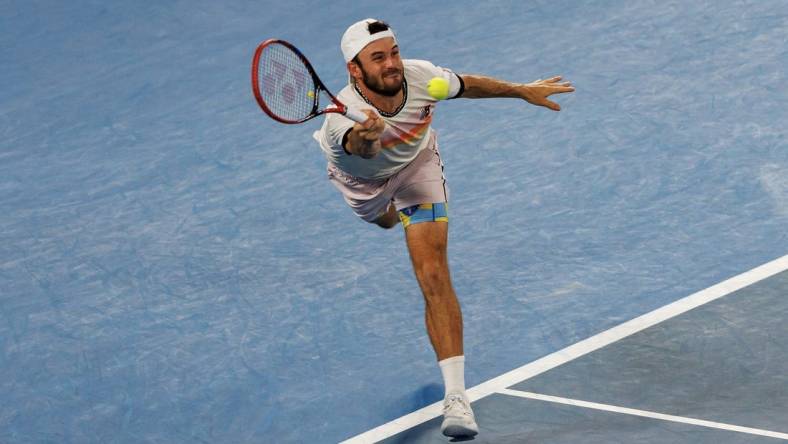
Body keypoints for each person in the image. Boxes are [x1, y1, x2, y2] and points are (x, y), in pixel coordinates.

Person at [312, 18, 574, 438]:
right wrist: (368, 135)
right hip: (364, 186)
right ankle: (394, 215)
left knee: (433, 272)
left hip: (418, 170)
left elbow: (466, 84)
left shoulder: (421, 77)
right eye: (377, 58)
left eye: (393, 51)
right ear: (355, 70)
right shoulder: (340, 124)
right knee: (384, 222)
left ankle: (456, 398)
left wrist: (522, 90)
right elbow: (360, 148)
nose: (391, 63)